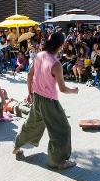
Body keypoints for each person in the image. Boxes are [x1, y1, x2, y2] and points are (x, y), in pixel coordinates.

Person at [13, 32, 78, 170]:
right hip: (49, 102)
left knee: (32, 123)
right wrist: (75, 90)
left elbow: (29, 75)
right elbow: (63, 89)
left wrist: (30, 93)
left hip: (36, 97)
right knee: (62, 130)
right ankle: (57, 161)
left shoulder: (39, 55)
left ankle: (17, 145)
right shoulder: (56, 64)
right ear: (60, 46)